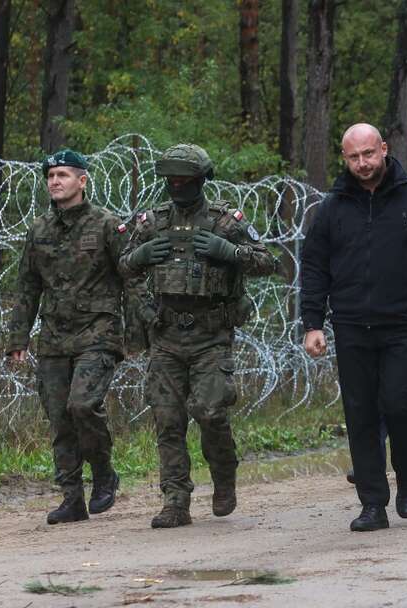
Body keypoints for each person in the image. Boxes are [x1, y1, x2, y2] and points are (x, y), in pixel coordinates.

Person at [300, 124, 407, 532]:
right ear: (344, 158)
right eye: (354, 157)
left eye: (369, 154)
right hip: (353, 326)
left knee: (399, 404)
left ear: (385, 150)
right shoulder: (332, 209)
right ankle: (373, 503)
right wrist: (313, 323)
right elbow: (315, 267)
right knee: (360, 415)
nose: (363, 164)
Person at [119, 143, 276, 528]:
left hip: (210, 334)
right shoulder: (151, 223)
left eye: (184, 179)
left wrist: (229, 252)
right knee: (167, 419)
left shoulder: (225, 222)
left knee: (209, 412)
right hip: (166, 334)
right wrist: (141, 276)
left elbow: (268, 261)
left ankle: (224, 476)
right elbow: (125, 267)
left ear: (201, 180)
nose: (176, 185)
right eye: (171, 179)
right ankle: (175, 499)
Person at [7, 149, 137, 525]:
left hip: (98, 331)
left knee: (82, 405)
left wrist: (138, 331)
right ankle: (71, 498)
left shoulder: (107, 226)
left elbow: (132, 278)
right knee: (59, 417)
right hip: (54, 336)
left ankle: (103, 473)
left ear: (82, 181)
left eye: (62, 175)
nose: (54, 181)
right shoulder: (39, 230)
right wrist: (19, 338)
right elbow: (28, 287)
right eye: (50, 176)